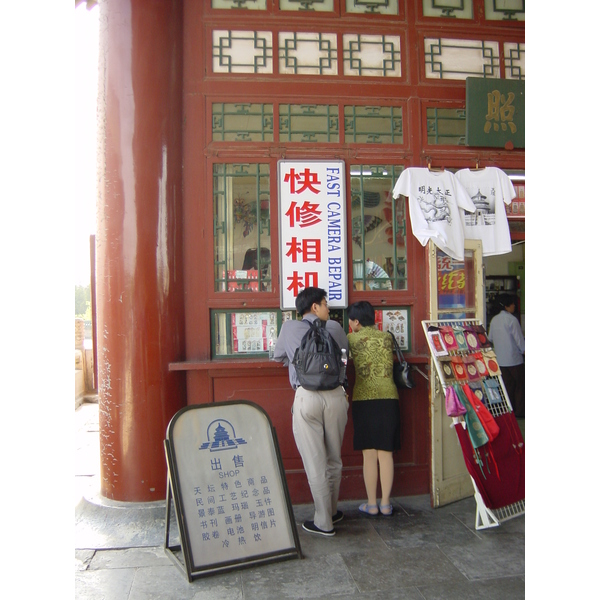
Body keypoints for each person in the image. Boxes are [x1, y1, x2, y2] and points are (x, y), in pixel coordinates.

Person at [273, 287, 350, 537]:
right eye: (326, 304)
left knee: (315, 462)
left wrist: (295, 363)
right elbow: (345, 357)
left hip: (307, 397)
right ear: (315, 307)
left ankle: (323, 521)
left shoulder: (289, 328)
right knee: (333, 459)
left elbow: (278, 357)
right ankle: (333, 511)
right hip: (335, 397)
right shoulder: (336, 328)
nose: (329, 308)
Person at [347, 301, 401, 517]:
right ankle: (386, 504)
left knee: (369, 454)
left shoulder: (351, 339)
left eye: (350, 321)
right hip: (389, 399)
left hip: (364, 398)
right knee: (386, 454)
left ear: (356, 322)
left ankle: (371, 504)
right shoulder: (387, 337)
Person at [488, 293, 525, 418]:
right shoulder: (512, 320)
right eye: (512, 303)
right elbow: (520, 341)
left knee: (507, 388)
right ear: (506, 306)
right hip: (515, 360)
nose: (514, 306)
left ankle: (508, 411)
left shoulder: (494, 320)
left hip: (501, 361)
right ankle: (519, 413)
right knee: (520, 388)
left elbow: (490, 338)